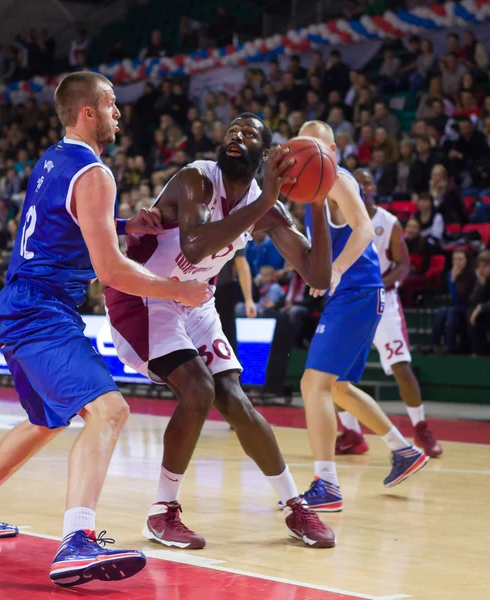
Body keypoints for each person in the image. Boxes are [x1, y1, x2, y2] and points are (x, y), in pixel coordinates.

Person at [0, 71, 210, 588]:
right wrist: (179, 290)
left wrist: (127, 224)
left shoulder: (53, 159)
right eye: (111, 105)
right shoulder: (95, 172)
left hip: (18, 306)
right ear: (89, 112)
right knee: (110, 410)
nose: (118, 113)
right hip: (40, 311)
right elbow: (110, 272)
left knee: (47, 420)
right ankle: (75, 542)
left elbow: (66, 226)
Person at [105, 113, 337, 549]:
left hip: (195, 300)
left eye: (248, 134)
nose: (237, 136)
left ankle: (294, 507)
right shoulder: (197, 179)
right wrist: (265, 202)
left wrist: (319, 201)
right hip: (144, 296)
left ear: (266, 156)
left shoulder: (266, 204)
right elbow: (194, 245)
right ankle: (161, 512)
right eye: (232, 131)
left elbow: (318, 276)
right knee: (198, 389)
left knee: (234, 398)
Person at [295, 121, 428, 513]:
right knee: (338, 388)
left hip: (356, 293)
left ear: (333, 150)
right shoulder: (311, 189)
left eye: (316, 145)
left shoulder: (336, 179)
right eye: (303, 145)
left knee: (312, 385)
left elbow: (365, 228)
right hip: (354, 295)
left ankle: (327, 484)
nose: (309, 152)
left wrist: (335, 270)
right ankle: (403, 451)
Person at [335, 169, 442, 458]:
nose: (364, 185)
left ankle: (420, 427)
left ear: (374, 187)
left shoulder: (388, 221)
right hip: (350, 301)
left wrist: (377, 283)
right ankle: (351, 433)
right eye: (359, 180)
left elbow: (404, 265)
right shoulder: (340, 217)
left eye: (368, 180)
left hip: (383, 300)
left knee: (401, 366)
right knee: (332, 371)